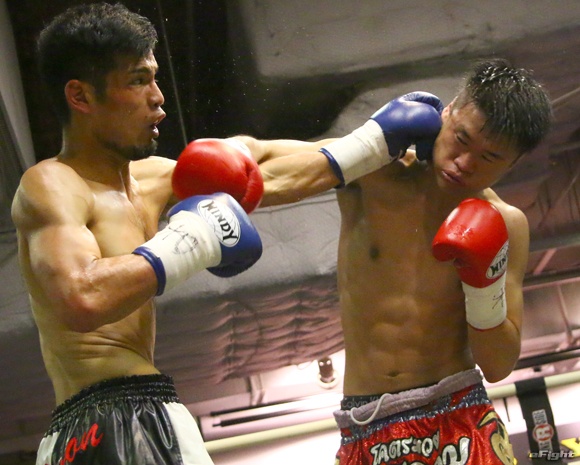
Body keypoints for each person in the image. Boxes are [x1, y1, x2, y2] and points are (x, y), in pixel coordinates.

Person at [195, 59, 551, 464]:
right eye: (462, 139)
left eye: (489, 157)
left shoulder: (506, 224)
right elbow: (254, 156)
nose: (465, 162)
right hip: (363, 423)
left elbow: (498, 364)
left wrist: (484, 287)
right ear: (447, 112)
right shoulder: (376, 169)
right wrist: (365, 144)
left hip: (458, 419)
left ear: (513, 163)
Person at [11, 3, 263, 465]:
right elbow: (82, 297)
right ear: (80, 96)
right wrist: (192, 238)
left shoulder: (155, 179)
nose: (158, 97)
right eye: (137, 80)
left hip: (103, 422)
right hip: (116, 416)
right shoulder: (52, 183)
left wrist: (369, 145)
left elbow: (268, 164)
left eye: (155, 77)